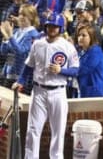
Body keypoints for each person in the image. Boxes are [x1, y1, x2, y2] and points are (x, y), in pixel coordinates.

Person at [13, 13, 79, 159]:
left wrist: (62, 70)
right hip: (38, 91)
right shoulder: (37, 44)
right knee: (33, 130)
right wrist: (21, 82)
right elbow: (28, 66)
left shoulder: (67, 46)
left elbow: (76, 70)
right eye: (49, 25)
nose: (52, 29)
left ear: (60, 28)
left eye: (55, 26)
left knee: (58, 131)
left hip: (58, 92)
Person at [75, 24, 103, 97]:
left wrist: (63, 71)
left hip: (98, 93)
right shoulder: (82, 52)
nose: (80, 38)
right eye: (79, 35)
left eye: (84, 35)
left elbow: (83, 70)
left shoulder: (95, 52)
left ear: (91, 37)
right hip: (86, 92)